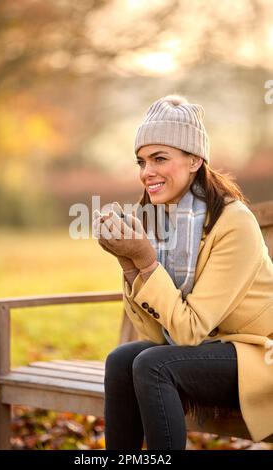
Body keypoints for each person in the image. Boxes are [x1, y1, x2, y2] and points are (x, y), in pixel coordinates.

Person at [93, 94, 273, 450]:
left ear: (194, 160)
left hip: (257, 356)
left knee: (153, 365)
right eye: (141, 161)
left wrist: (146, 261)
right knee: (121, 360)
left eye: (160, 158)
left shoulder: (233, 222)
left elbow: (188, 331)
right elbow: (158, 333)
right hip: (209, 348)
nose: (147, 172)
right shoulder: (163, 220)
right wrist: (128, 263)